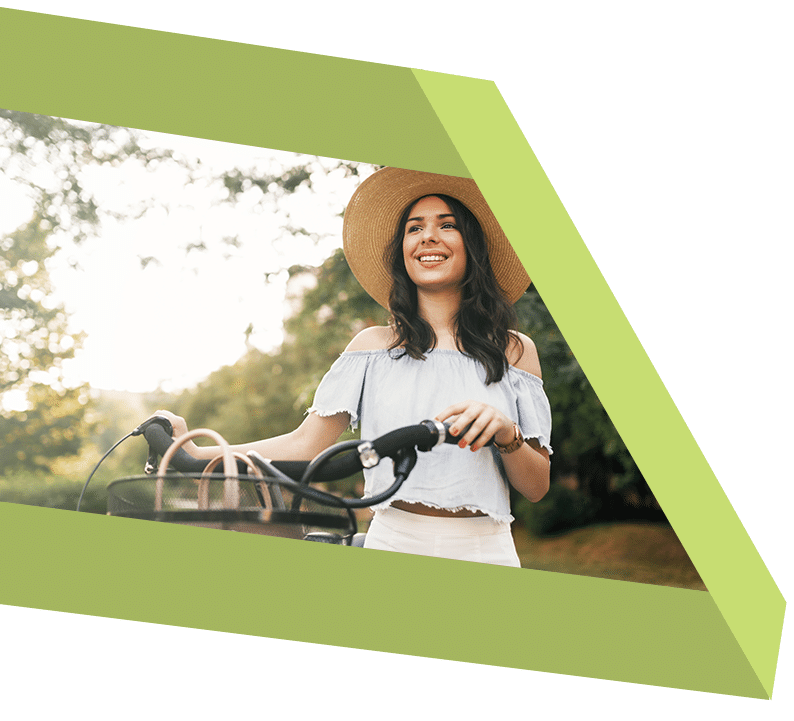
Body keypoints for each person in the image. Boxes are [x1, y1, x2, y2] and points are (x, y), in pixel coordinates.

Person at [155, 167, 551, 566]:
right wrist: (192, 453)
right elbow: (304, 446)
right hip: (392, 541)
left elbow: (536, 487)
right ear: (403, 253)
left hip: (488, 550)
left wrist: (506, 432)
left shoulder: (515, 352)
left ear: (472, 246)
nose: (428, 236)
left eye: (447, 225)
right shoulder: (372, 348)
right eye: (414, 229)